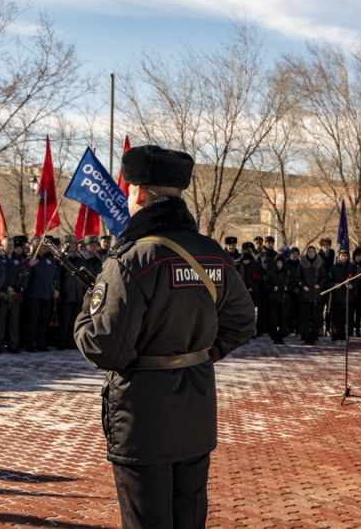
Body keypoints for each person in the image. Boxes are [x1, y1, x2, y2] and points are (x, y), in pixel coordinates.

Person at [74, 144, 255, 529]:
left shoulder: (132, 259)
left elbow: (105, 348)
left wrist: (85, 314)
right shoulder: (211, 252)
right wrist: (194, 353)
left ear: (138, 192)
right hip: (196, 404)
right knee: (188, 518)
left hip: (144, 415)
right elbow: (242, 321)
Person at [23, 238, 59, 352]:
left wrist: (56, 289)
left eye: (45, 246)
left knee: (43, 321)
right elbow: (23, 276)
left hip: (47, 295)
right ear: (35, 247)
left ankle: (41, 343)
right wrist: (28, 266)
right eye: (42, 246)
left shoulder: (50, 260)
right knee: (32, 321)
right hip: (33, 295)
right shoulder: (29, 260)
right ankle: (31, 344)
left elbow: (55, 277)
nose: (44, 248)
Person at [0, 237, 27, 353]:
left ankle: (13, 344)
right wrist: (4, 287)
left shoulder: (18, 259)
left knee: (14, 321)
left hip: (15, 294)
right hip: (2, 293)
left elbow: (24, 274)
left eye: (12, 245)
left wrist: (19, 288)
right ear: (2, 246)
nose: (11, 247)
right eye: (8, 245)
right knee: (1, 320)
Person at [57, 234, 85, 350]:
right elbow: (58, 277)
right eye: (69, 243)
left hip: (77, 294)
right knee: (64, 320)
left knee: (74, 320)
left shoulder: (79, 258)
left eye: (74, 244)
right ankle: (61, 342)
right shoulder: (61, 259)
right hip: (66, 294)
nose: (72, 246)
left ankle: (71, 341)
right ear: (64, 245)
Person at [297, 246, 326, 345]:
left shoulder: (320, 264)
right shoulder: (302, 264)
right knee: (305, 318)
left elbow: (324, 278)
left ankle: (314, 336)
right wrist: (303, 286)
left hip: (316, 296)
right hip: (305, 295)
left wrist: (320, 285)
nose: (311, 254)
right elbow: (298, 277)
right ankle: (305, 336)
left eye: (313, 252)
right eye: (309, 252)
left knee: (315, 318)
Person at [328, 249, 355, 343]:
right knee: (336, 318)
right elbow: (328, 281)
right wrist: (334, 284)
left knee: (346, 319)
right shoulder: (333, 268)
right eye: (342, 256)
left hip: (348, 297)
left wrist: (352, 286)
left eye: (346, 256)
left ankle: (345, 337)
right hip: (336, 297)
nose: (344, 258)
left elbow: (357, 281)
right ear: (338, 256)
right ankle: (336, 336)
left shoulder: (351, 267)